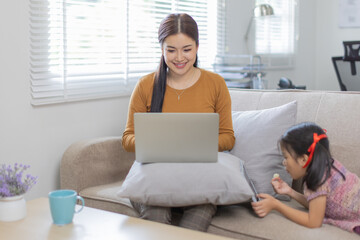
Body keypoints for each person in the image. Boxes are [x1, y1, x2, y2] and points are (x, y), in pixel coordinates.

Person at [121, 13, 235, 232]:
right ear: (162, 50)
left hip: (200, 177)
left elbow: (228, 137)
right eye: (171, 50)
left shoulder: (215, 84)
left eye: (187, 49)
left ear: (197, 47)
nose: (179, 57)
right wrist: (160, 145)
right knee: (157, 215)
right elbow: (127, 138)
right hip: (154, 176)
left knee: (197, 219)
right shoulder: (145, 85)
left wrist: (194, 145)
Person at [251, 122, 360, 234]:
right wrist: (290, 192)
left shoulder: (318, 179)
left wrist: (276, 205)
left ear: (303, 159)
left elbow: (313, 221)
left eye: (286, 157)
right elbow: (316, 205)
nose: (284, 163)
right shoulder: (327, 166)